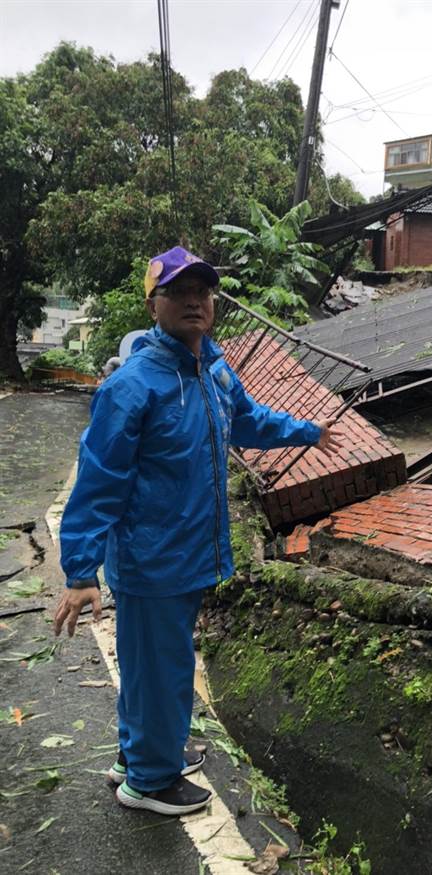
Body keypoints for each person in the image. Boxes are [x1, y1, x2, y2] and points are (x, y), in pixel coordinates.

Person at [54, 245, 341, 816]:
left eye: (203, 291)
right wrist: (81, 570)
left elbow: (248, 420)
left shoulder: (211, 368)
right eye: (178, 291)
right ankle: (150, 783)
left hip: (189, 552)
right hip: (152, 558)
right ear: (153, 303)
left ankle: (138, 755)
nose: (194, 301)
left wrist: (306, 431)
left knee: (155, 665)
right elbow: (99, 480)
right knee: (160, 668)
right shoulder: (133, 386)